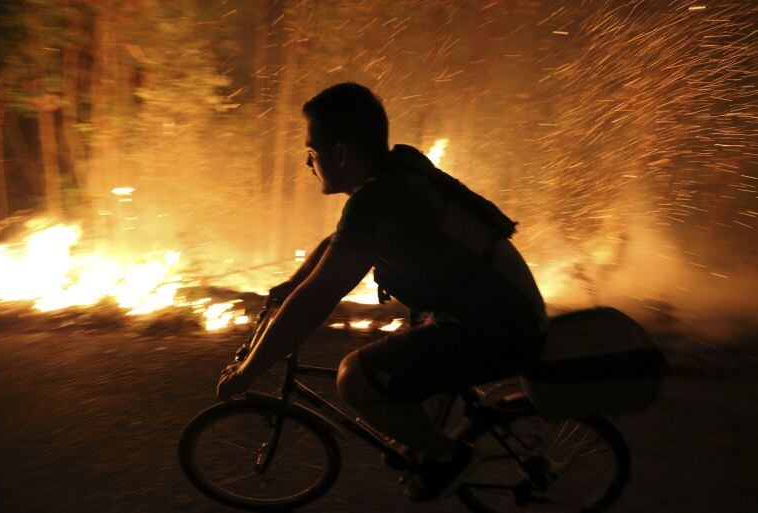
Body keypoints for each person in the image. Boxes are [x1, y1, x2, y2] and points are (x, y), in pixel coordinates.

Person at [217, 82, 547, 501]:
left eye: (312, 150)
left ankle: (450, 457)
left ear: (339, 154)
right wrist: (290, 283)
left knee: (355, 378)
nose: (307, 161)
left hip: (495, 327)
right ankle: (429, 440)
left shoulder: (380, 197)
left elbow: (315, 303)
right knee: (403, 366)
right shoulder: (396, 173)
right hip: (497, 310)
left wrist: (248, 374)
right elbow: (341, 242)